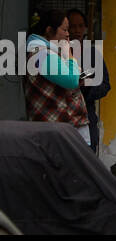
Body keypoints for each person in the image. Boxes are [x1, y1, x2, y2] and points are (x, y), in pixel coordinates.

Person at [24, 8, 91, 145]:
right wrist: (70, 56)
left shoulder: (49, 52)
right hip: (55, 131)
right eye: (65, 30)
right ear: (49, 31)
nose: (68, 34)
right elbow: (71, 81)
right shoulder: (40, 53)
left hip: (61, 129)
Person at [67, 9, 110, 155]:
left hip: (87, 119)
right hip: (62, 120)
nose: (77, 30)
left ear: (85, 28)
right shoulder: (56, 54)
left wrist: (87, 84)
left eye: (80, 26)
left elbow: (105, 85)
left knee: (87, 168)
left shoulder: (92, 53)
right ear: (66, 28)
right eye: (73, 26)